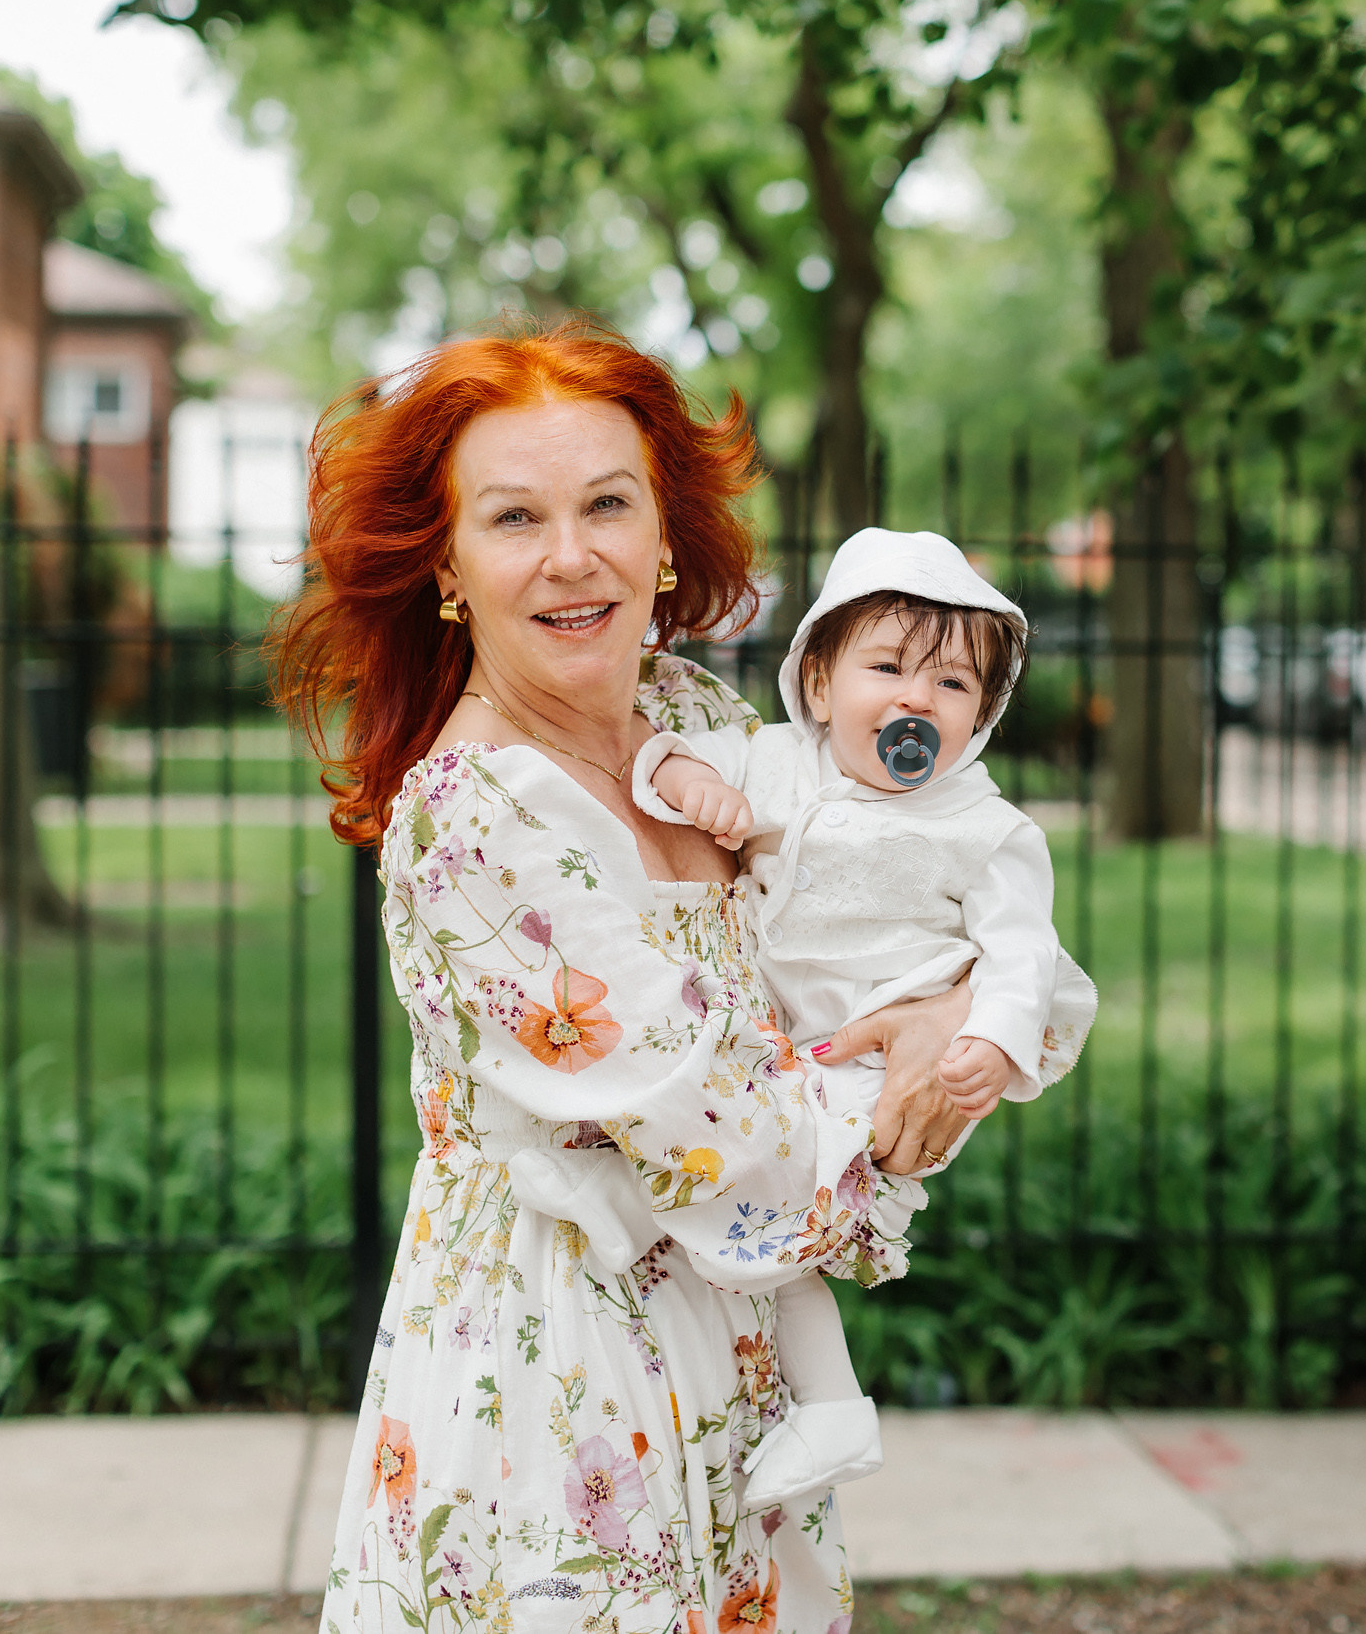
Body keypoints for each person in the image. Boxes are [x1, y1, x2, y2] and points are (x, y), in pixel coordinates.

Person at [277, 319, 972, 1632]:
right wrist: (931, 1058)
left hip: (745, 1359)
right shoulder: (473, 820)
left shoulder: (706, 726)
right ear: (446, 565)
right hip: (558, 1386)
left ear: (664, 536)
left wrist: (948, 1000)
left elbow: (877, 912)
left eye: (607, 502)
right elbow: (728, 1134)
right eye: (514, 517)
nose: (571, 555)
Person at [631, 527, 1096, 1508]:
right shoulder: (770, 762)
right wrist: (694, 787)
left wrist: (991, 1042)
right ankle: (834, 1414)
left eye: (953, 685)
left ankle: (833, 1411)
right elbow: (656, 754)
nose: (916, 699)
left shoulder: (983, 827)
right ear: (818, 682)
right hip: (777, 1052)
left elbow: (1022, 950)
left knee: (754, 1221)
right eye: (885, 667)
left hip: (872, 1067)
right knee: (747, 1225)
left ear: (983, 714)